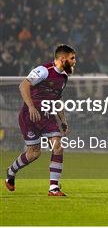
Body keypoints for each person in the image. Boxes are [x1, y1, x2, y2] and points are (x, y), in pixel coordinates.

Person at [5, 44, 76, 196]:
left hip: (47, 117)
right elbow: (23, 85)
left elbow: (57, 100)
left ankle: (53, 188)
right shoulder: (44, 70)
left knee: (58, 146)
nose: (74, 61)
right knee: (34, 154)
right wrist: (31, 107)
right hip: (29, 116)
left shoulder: (64, 77)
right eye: (72, 58)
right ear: (62, 59)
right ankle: (11, 171)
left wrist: (63, 121)